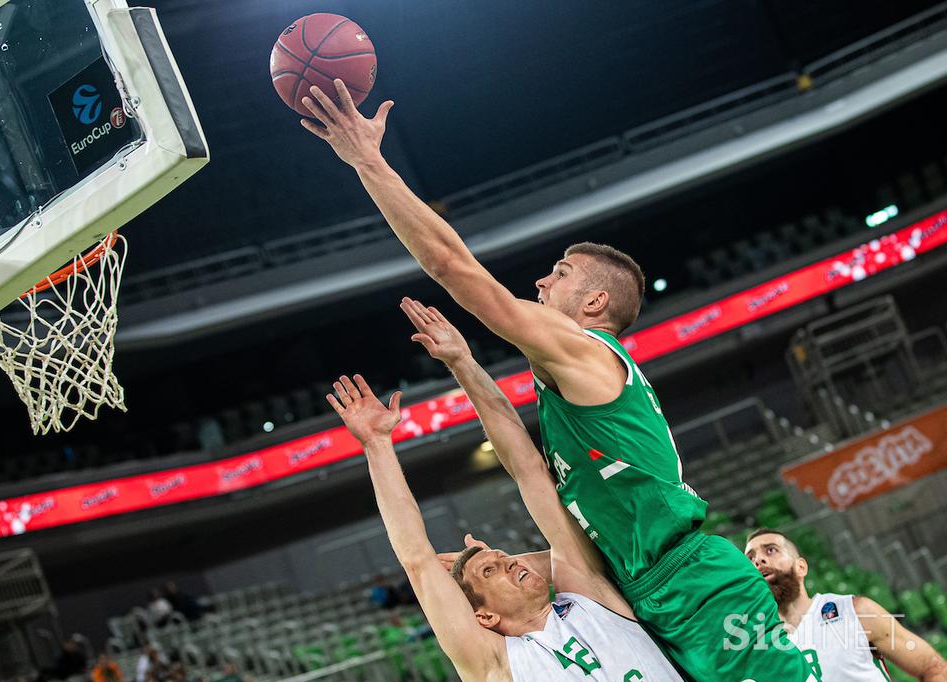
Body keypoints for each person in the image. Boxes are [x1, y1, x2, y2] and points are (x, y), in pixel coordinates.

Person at [300, 82, 819, 680]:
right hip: (651, 588)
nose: (541, 284)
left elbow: (452, 267)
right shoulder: (566, 388)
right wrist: (465, 366)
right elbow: (528, 472)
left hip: (691, 582)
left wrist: (368, 162)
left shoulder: (586, 349)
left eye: (560, 273)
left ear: (595, 301)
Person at [327, 372, 681, 681]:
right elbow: (416, 559)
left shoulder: (589, 596)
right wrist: (376, 444)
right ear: (484, 615)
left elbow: (529, 470)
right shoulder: (495, 665)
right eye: (491, 570)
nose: (512, 561)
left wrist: (462, 363)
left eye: (504, 557)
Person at [745, 529, 947, 681]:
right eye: (750, 558)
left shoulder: (855, 611)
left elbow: (933, 668)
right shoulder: (758, 645)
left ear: (801, 566)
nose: (759, 560)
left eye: (771, 550)